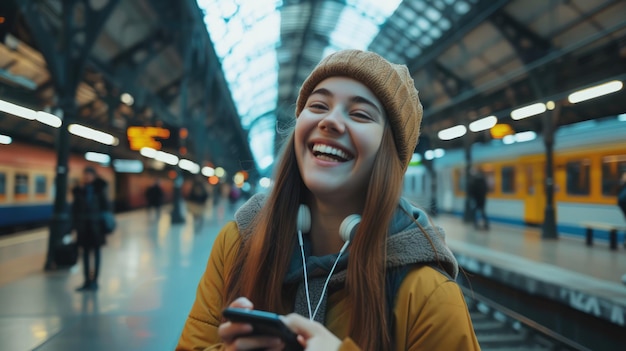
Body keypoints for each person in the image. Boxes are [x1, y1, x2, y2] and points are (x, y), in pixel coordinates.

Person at [176, 50, 480, 350]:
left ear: (389, 154)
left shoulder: (428, 294)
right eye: (319, 105)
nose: (331, 121)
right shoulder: (238, 244)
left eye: (361, 114)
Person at [72, 166, 112, 291]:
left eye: (88, 175)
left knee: (96, 254)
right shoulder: (79, 191)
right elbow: (75, 210)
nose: (86, 177)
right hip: (83, 228)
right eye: (85, 175)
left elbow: (106, 208)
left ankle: (95, 281)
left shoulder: (99, 190)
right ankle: (86, 281)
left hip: (96, 228)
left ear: (94, 176)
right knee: (85, 255)